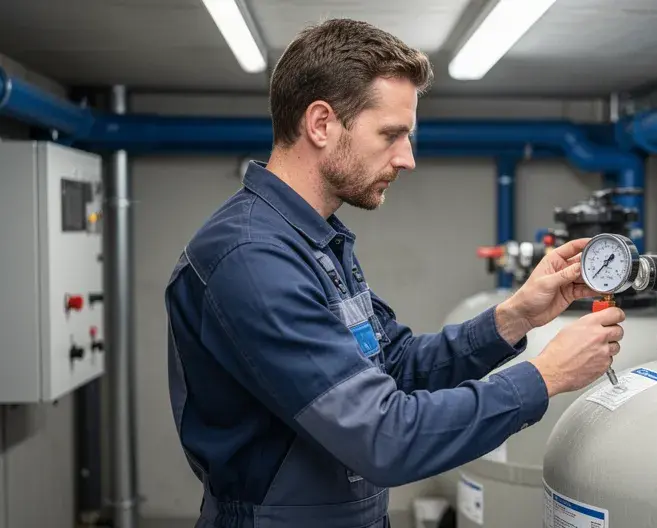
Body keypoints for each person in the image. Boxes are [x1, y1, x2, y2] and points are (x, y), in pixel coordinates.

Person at [164, 18, 626, 528]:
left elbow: (396, 366)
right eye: (391, 134)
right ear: (321, 124)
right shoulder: (251, 258)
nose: (407, 158)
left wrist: (515, 317)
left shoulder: (316, 240)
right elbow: (383, 437)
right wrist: (546, 375)